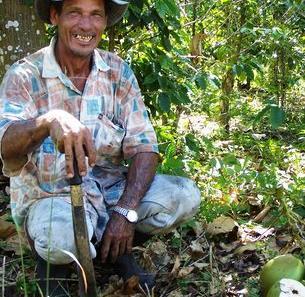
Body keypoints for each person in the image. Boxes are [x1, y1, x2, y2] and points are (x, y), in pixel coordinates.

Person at [0, 0, 201, 295]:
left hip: (110, 191)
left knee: (183, 196)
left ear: (105, 22)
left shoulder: (117, 72)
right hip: (50, 196)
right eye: (75, 13)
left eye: (95, 15)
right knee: (58, 238)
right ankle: (54, 261)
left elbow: (145, 145)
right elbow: (5, 146)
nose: (86, 25)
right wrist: (47, 121)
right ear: (55, 16)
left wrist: (125, 211)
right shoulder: (24, 75)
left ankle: (116, 247)